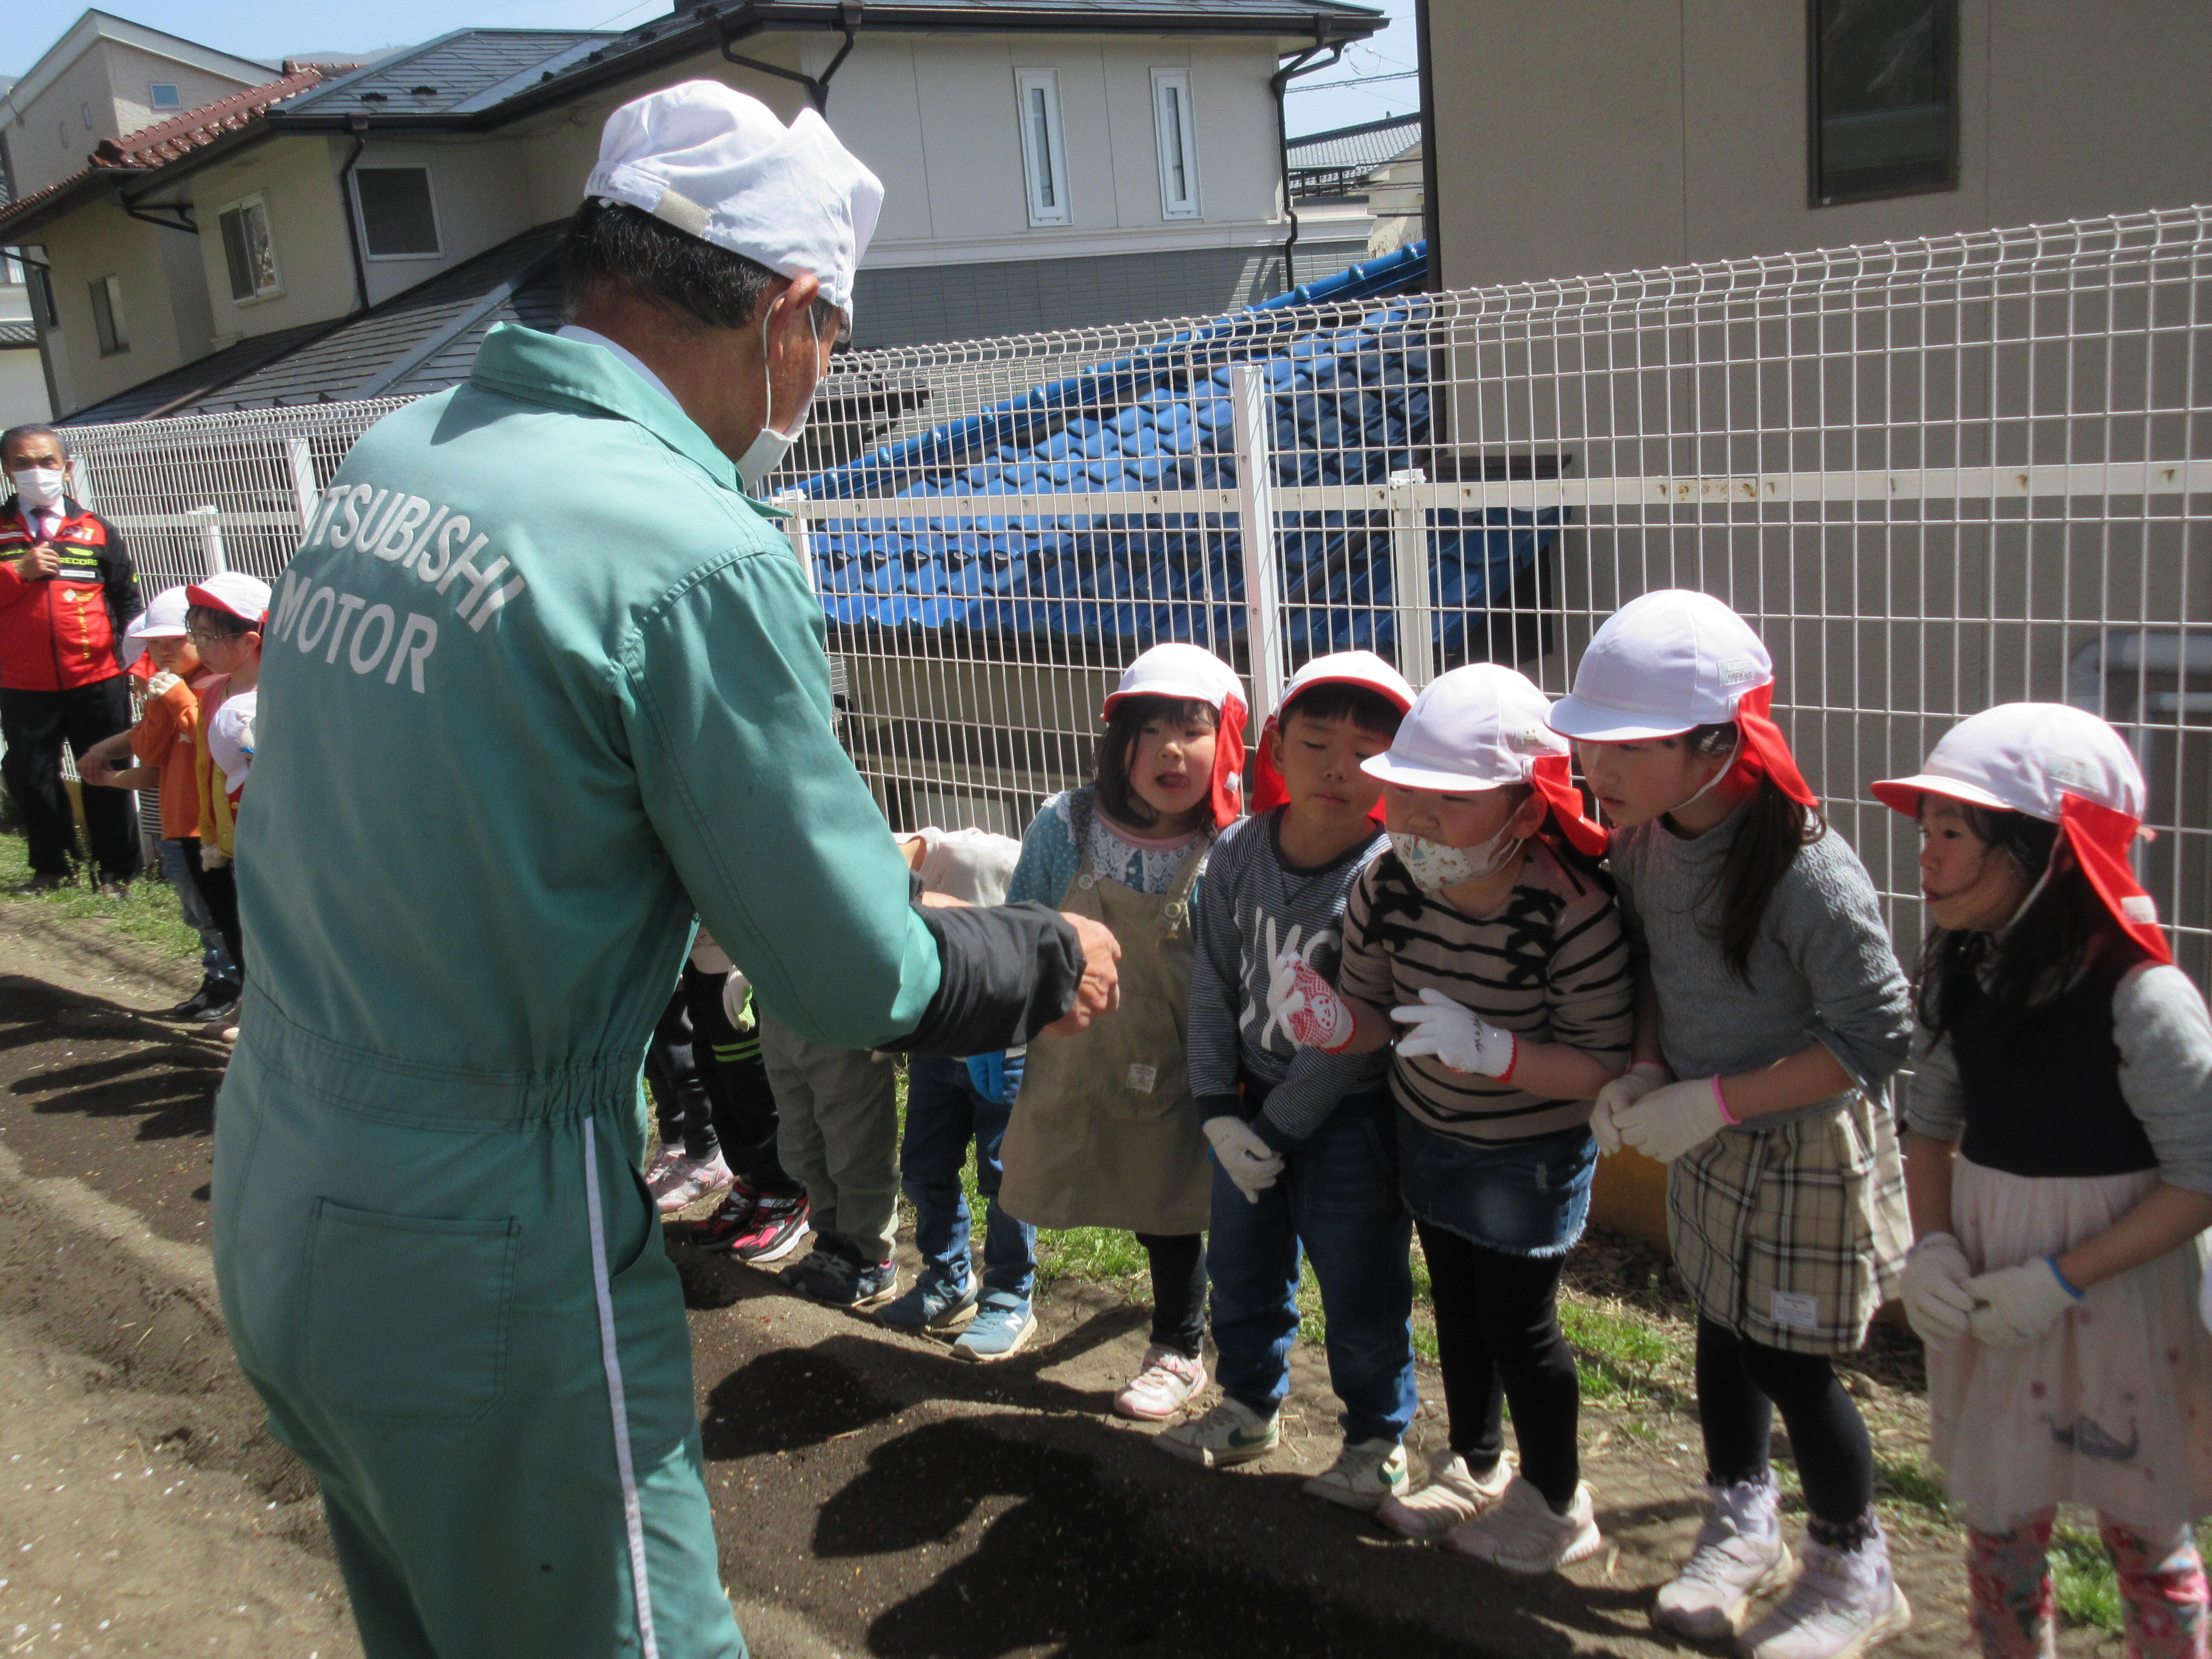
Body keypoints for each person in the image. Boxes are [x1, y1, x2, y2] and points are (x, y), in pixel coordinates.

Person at [215, 82, 1118, 1659]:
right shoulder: (690, 548)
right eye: (831, 336)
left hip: (287, 1169)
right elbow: (849, 970)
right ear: (783, 312)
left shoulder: (402, 457)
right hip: (489, 1234)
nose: (821, 376)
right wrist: (1032, 954)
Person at [1553, 589, 1915, 1659]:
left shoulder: (1805, 866)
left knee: (1792, 1359)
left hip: (1802, 1138)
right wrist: (1653, 1064)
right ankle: (1739, 1520)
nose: (1595, 768)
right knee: (1717, 1325)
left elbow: (1876, 1032)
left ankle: (1857, 1565)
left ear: (1715, 742)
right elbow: (1659, 963)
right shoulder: (1646, 840)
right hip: (1699, 1128)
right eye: (1590, 742)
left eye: (1624, 745)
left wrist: (1708, 1098)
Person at [1268, 664, 1633, 1562]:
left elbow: (1599, 1064)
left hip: (1526, 1152)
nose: (1418, 822)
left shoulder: (1573, 913)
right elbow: (1370, 1014)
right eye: (1408, 795)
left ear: (1527, 807)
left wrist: (1499, 1052)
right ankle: (1474, 1464)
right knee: (1460, 1308)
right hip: (1427, 1128)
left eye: (1451, 800)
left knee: (1521, 1322)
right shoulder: (1387, 885)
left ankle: (1557, 1499)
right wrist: (1325, 1015)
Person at [1876, 704, 2212, 1659]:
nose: (1926, 859)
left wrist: (2061, 1278)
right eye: (1925, 832)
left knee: (2146, 1536)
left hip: (2124, 1300)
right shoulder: (1961, 973)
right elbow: (1930, 1122)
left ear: (2050, 853)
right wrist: (1933, 1243)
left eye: (1953, 834)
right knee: (1999, 1522)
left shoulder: (2145, 999)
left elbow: (2201, 1176)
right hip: (1990, 1277)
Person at [1162, 651, 1420, 1509]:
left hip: (1351, 1118)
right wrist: (1213, 1109)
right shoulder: (1237, 851)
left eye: (1368, 748)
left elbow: (1350, 1038)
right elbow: (1215, 982)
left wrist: (1269, 1132)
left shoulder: (1392, 875)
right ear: (1274, 748)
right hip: (1243, 1104)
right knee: (1240, 1267)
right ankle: (1247, 1407)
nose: (1340, 768)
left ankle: (1378, 1439)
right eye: (1316, 742)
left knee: (1359, 1279)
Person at [996, 641, 1246, 1420]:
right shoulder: (1064, 824)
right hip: (1077, 1054)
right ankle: (1001, 1292)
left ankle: (1178, 1344)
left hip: (1185, 1065)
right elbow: (1019, 928)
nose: (1171, 748)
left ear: (1228, 742)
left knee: (1169, 1208)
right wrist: (998, 1032)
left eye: (1193, 727)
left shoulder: (1232, 849)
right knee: (1038, 1173)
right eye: (1148, 728)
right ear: (1118, 743)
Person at [875, 825, 1043, 1361]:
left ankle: (1010, 1295)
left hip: (1002, 1046)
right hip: (939, 1043)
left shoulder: (990, 857)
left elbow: (1045, 922)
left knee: (1006, 1175)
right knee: (924, 1165)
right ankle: (949, 1278)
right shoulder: (889, 883)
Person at [76, 586, 241, 1018]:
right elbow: (150, 754)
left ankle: (231, 990)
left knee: (218, 916)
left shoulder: (217, 686)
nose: (165, 650)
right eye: (156, 642)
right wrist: (108, 766)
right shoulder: (171, 688)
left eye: (176, 640)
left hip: (205, 827)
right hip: (175, 826)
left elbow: (208, 735)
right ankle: (218, 983)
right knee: (200, 915)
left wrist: (174, 700)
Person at [0, 423, 143, 894]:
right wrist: (17, 573)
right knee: (31, 778)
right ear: (6, 471)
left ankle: (117, 872)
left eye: (47, 461)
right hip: (22, 684)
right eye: (23, 463)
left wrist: (138, 666)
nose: (36, 471)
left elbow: (127, 603)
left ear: (67, 469)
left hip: (98, 680)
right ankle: (53, 869)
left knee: (104, 773)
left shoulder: (98, 529)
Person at [183, 571, 268, 1042]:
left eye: (209, 636)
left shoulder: (283, 691)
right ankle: (247, 1003)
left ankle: (265, 1017)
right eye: (194, 634)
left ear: (251, 639)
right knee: (247, 930)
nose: (199, 647)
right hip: (234, 834)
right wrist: (211, 832)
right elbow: (205, 768)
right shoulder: (213, 691)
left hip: (274, 835)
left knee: (273, 932)